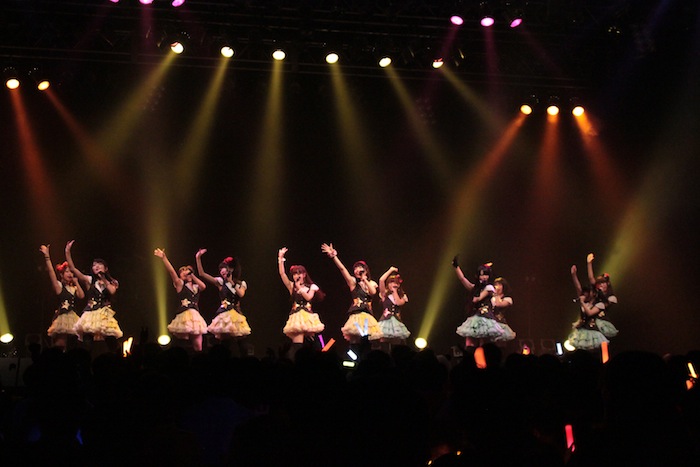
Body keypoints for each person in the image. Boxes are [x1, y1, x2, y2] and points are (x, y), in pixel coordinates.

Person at [65, 240, 123, 352]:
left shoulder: (112, 282)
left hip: (104, 314)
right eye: (94, 265)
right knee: (87, 341)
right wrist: (67, 252)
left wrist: (104, 278)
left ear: (105, 268)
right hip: (90, 313)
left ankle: (116, 357)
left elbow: (112, 291)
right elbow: (73, 269)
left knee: (111, 341)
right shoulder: (89, 280)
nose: (96, 266)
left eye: (99, 264)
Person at [321, 243, 383, 345]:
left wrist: (364, 280)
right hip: (356, 315)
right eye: (355, 268)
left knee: (366, 341)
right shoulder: (353, 283)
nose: (357, 270)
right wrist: (334, 256)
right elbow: (342, 269)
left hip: (367, 316)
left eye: (360, 267)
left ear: (366, 270)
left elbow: (373, 292)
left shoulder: (372, 283)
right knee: (355, 342)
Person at [196, 249, 251, 354]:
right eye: (220, 269)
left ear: (231, 269)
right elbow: (202, 274)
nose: (222, 271)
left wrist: (231, 282)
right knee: (225, 342)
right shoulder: (220, 282)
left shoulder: (241, 283)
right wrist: (198, 258)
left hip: (236, 313)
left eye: (224, 268)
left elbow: (241, 294)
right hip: (224, 314)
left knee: (241, 341)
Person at [154, 248, 208, 352]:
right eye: (182, 271)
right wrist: (164, 258)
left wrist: (192, 275)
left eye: (186, 270)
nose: (184, 272)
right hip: (184, 315)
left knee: (198, 345)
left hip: (195, 316)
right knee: (181, 343)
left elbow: (203, 286)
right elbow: (171, 272)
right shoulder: (180, 284)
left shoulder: (196, 286)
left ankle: (198, 357)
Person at [277, 247, 325, 357]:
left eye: (299, 273)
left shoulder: (311, 286)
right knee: (297, 345)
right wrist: (280, 258)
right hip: (297, 317)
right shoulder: (292, 287)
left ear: (304, 275)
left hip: (308, 317)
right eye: (294, 274)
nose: (297, 276)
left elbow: (308, 298)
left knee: (313, 345)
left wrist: (300, 288)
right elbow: (282, 274)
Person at [452, 257, 504, 347]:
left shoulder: (489, 287)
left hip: (486, 318)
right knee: (471, 342)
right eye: (481, 275)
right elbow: (463, 279)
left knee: (484, 343)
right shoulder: (476, 288)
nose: (483, 277)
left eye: (486, 275)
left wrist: (473, 297)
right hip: (475, 316)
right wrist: (456, 267)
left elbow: (478, 298)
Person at [40, 244, 84, 350]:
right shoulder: (59, 286)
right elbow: (51, 273)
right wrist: (47, 257)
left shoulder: (74, 288)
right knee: (61, 342)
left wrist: (76, 282)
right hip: (63, 317)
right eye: (67, 271)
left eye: (71, 272)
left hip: (74, 317)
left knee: (76, 343)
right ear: (62, 274)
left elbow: (81, 296)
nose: (70, 274)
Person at [571, 254, 618, 339]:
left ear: (608, 284)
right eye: (599, 283)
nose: (601, 285)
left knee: (602, 343)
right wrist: (575, 274)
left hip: (600, 325)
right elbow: (586, 282)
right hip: (588, 326)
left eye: (603, 283)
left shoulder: (609, 298)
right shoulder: (593, 297)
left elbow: (594, 311)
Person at [567, 281, 609, 350]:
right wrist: (573, 275)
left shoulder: (599, 304)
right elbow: (578, 287)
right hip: (582, 330)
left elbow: (590, 313)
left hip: (593, 332)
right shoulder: (585, 303)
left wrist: (582, 302)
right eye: (584, 291)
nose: (585, 294)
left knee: (593, 351)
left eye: (587, 291)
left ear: (594, 293)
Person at [377, 266, 411, 348]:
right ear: (388, 284)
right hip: (385, 320)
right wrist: (390, 270)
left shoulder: (402, 296)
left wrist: (394, 291)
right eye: (391, 282)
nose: (394, 284)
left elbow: (398, 303)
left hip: (396, 322)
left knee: (396, 343)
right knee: (383, 341)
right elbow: (381, 280)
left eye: (396, 282)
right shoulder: (384, 294)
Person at [491, 277, 516, 342]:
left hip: (501, 324)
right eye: (496, 284)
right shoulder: (491, 298)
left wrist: (496, 294)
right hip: (491, 324)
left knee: (500, 343)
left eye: (499, 284)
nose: (497, 287)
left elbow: (498, 304)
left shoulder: (508, 299)